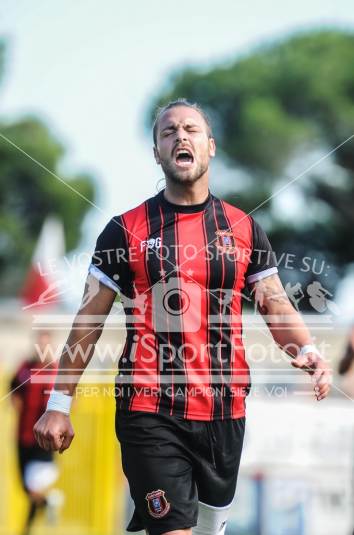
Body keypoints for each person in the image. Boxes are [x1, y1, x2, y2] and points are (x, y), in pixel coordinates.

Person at [33, 99, 331, 535]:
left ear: (210, 147)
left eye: (191, 129)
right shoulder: (126, 229)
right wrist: (59, 404)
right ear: (157, 152)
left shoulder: (242, 228)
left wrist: (305, 349)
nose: (180, 137)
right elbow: (88, 319)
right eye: (168, 132)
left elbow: (274, 302)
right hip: (148, 410)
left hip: (224, 411)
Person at [10, 331, 59, 535]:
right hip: (23, 435)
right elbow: (13, 387)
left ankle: (27, 528)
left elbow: (69, 397)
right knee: (25, 488)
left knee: (33, 486)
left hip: (43, 438)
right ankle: (46, 503)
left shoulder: (56, 371)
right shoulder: (25, 368)